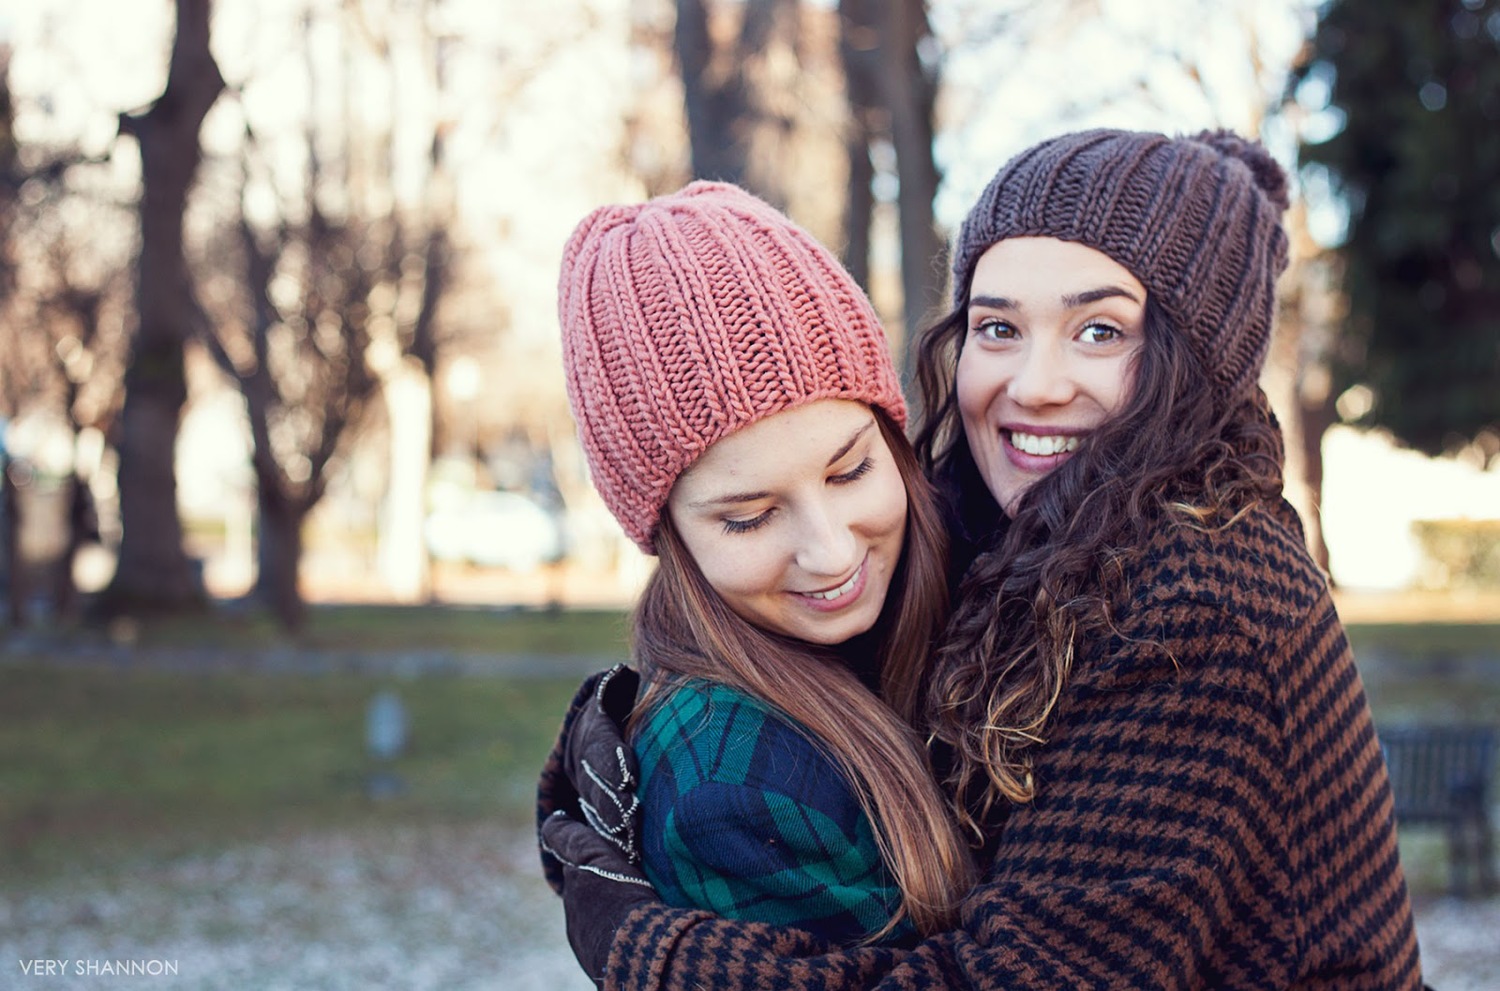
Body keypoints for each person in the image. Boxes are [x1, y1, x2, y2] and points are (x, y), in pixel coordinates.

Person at [539, 128, 1425, 990]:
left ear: (1200, 365)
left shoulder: (1198, 601)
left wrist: (653, 954)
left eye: (1101, 332)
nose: (1034, 383)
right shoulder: (1021, 541)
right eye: (997, 327)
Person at [538, 180, 977, 976]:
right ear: (667, 535)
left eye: (850, 471)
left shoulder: (967, 581)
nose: (833, 551)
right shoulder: (728, 786)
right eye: (749, 517)